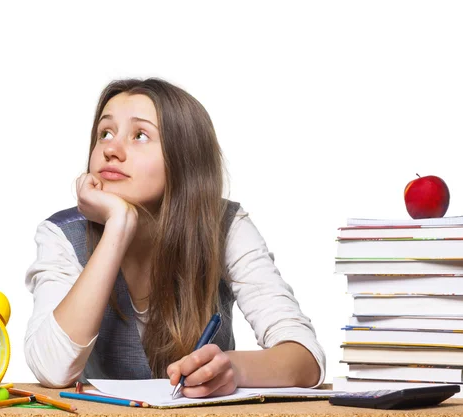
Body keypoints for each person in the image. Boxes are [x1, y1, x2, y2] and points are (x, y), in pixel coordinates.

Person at [24, 78, 326, 397]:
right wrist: (118, 226)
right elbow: (52, 369)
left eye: (140, 135)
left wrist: (233, 370)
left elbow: (306, 358)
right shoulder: (62, 234)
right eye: (105, 133)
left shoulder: (225, 226)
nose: (111, 149)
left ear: (183, 158)